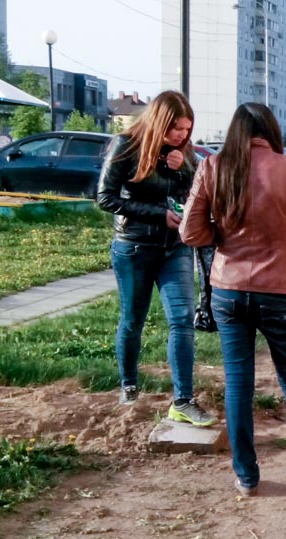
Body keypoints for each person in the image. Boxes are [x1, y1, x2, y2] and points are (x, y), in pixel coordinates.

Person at [180, 103, 286, 495]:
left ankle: (246, 477)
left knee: (238, 384)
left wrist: (223, 238)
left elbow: (190, 232)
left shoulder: (214, 167)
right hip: (279, 289)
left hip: (228, 290)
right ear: (270, 130)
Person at [97, 90, 215, 427]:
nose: (182, 135)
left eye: (187, 130)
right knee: (133, 318)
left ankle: (183, 400)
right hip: (133, 246)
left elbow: (194, 193)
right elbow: (105, 198)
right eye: (177, 128)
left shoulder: (184, 153)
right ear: (159, 121)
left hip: (175, 247)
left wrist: (182, 171)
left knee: (181, 319)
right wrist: (155, 214)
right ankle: (129, 386)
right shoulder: (126, 146)